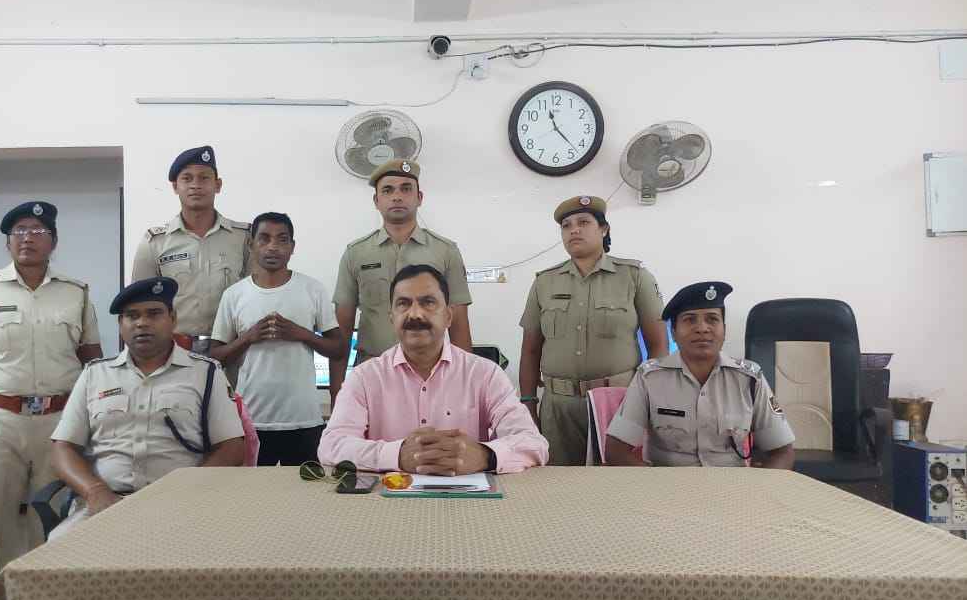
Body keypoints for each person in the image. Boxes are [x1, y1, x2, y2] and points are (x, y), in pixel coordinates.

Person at [0, 201, 102, 596]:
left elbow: (92, 361)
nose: (27, 238)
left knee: (54, 519)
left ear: (54, 241)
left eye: (37, 231)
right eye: (18, 231)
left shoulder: (76, 294)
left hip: (59, 424)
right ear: (7, 242)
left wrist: (96, 420)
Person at [50, 277, 246, 536]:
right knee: (59, 547)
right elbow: (63, 447)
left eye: (154, 314)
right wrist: (95, 491)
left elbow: (232, 446)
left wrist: (190, 491)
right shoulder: (95, 374)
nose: (142, 323)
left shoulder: (206, 372)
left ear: (172, 319)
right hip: (106, 502)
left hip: (183, 502)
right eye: (132, 316)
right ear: (120, 325)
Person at [319, 265, 547, 475]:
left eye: (427, 302)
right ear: (392, 318)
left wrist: (486, 455)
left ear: (448, 316)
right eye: (403, 303)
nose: (415, 314)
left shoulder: (485, 374)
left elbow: (533, 442)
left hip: (469, 501)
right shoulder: (365, 377)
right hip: (386, 500)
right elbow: (331, 445)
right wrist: (396, 455)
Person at [518, 195, 668, 466]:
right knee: (557, 483)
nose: (574, 230)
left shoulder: (634, 277)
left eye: (583, 222)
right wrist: (528, 403)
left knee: (618, 482)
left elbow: (658, 345)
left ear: (604, 229)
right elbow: (530, 350)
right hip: (558, 408)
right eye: (566, 226)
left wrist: (647, 401)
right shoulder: (544, 282)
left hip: (619, 403)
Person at [605, 281, 796, 468]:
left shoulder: (750, 378)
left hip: (731, 483)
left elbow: (783, 451)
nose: (702, 328)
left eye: (712, 319)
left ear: (724, 330)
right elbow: (616, 450)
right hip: (669, 483)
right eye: (690, 320)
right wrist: (653, 484)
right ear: (674, 332)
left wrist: (758, 486)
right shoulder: (649, 378)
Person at [330, 159, 473, 403]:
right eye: (388, 190)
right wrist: (337, 390)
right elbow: (342, 328)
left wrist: (465, 387)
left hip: (432, 372)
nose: (397, 196)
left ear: (419, 197)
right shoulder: (356, 253)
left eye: (406, 189)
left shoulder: (445, 252)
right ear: (376, 201)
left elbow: (459, 323)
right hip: (372, 372)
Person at [209, 212, 346, 465]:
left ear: (292, 247)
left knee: (306, 489)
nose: (273, 246)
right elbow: (214, 357)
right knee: (252, 489)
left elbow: (338, 348)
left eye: (282, 239)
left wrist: (301, 333)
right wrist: (248, 338)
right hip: (251, 420)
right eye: (264, 238)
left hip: (305, 419)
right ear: (251, 244)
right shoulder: (234, 295)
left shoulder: (312, 289)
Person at [130, 145, 251, 354]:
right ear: (175, 186)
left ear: (218, 185)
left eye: (204, 178)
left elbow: (256, 296)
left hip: (233, 351)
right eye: (187, 178)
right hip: (175, 352)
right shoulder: (155, 242)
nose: (196, 185)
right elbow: (139, 306)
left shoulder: (243, 238)